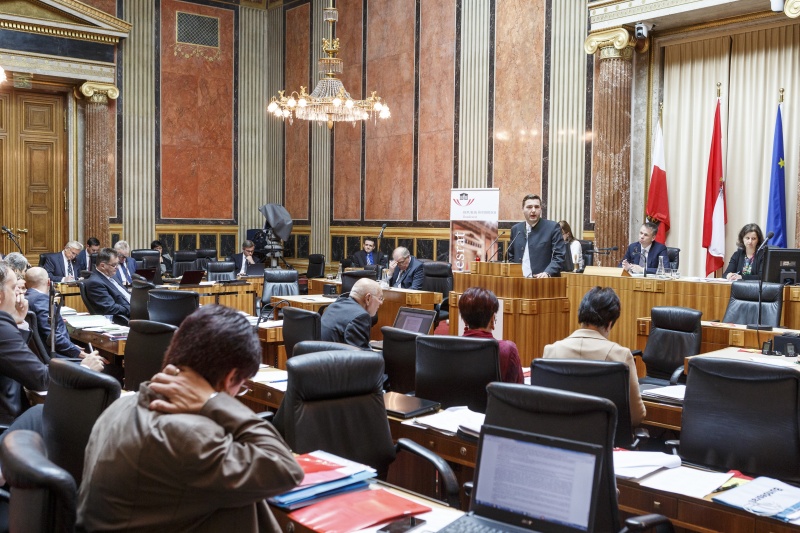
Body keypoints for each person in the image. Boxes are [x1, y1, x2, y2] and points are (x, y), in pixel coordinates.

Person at [77, 305, 304, 531]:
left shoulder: (120, 406)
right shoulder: (188, 435)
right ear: (231, 377)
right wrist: (213, 402)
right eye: (241, 386)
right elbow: (286, 468)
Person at [0, 261, 104, 425]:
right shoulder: (1, 326)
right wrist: (84, 368)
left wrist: (19, 323)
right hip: (6, 422)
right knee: (60, 418)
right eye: (14, 288)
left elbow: (13, 359)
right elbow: (40, 379)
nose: (20, 294)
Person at [542, 286, 646, 427]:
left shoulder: (551, 350)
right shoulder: (622, 356)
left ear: (581, 315)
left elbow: (544, 408)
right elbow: (635, 416)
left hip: (559, 441)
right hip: (605, 444)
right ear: (609, 324)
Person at [25, 267, 98, 359]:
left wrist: (72, 346)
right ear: (49, 282)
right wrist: (82, 355)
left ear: (25, 284)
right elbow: (52, 336)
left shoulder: (26, 298)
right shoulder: (41, 299)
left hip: (45, 355)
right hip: (58, 358)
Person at [458, 287, 523, 384]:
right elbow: (517, 392)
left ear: (465, 320)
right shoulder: (507, 350)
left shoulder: (449, 348)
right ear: (492, 319)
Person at [507, 194, 566, 278]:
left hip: (543, 282)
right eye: (529, 207)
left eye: (537, 207)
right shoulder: (516, 229)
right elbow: (511, 256)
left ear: (541, 209)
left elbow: (559, 256)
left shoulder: (552, 227)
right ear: (522, 209)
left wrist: (547, 272)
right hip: (519, 281)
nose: (533, 210)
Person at [320, 278, 384, 350]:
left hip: (319, 356)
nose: (381, 303)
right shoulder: (360, 316)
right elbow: (361, 357)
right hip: (334, 359)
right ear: (368, 298)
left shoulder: (335, 305)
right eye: (380, 298)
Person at [82, 248, 131, 318]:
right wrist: (132, 309)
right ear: (102, 266)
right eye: (114, 265)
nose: (117, 267)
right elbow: (110, 308)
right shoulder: (95, 283)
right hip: (124, 317)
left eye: (117, 264)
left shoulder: (112, 275)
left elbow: (125, 296)